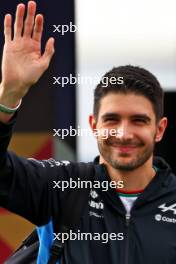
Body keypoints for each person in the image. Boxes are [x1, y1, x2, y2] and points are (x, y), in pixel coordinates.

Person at [0, 1, 176, 264]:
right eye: (112, 119)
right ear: (94, 125)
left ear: (159, 129)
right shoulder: (62, 186)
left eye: (138, 120)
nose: (124, 133)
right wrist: (9, 96)